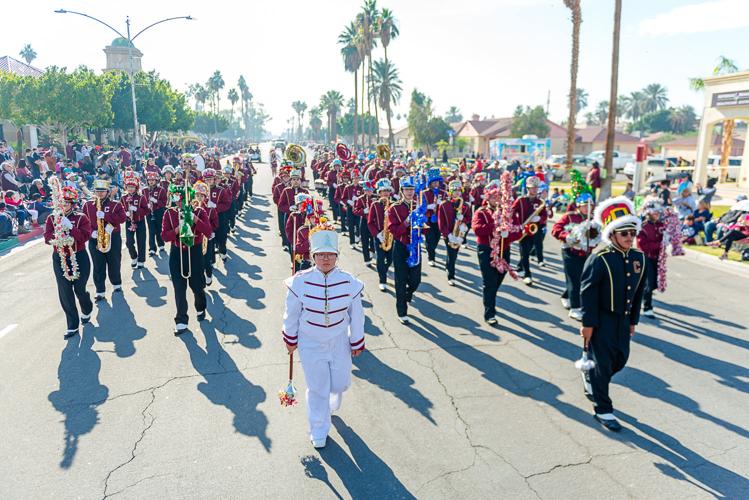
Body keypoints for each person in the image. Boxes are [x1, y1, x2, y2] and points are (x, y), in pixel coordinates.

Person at [281, 220, 365, 449]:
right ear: (312, 255)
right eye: (320, 255)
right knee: (317, 387)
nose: (325, 259)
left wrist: (356, 340)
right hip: (310, 342)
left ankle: (331, 398)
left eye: (330, 254)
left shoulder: (349, 282)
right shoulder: (299, 282)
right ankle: (318, 429)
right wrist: (290, 339)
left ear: (337, 256)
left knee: (340, 383)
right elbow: (291, 314)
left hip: (339, 340)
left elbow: (357, 315)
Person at [580, 196, 646, 432]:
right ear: (612, 235)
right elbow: (587, 292)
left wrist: (633, 321)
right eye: (623, 233)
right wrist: (587, 324)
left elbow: (638, 292)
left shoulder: (639, 258)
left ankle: (594, 379)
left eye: (632, 233)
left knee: (620, 359)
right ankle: (603, 408)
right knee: (603, 364)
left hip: (623, 319)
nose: (629, 237)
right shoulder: (600, 258)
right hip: (601, 320)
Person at [44, 184, 94, 339]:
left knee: (80, 289)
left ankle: (87, 308)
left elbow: (85, 237)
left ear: (72, 204)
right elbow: (47, 237)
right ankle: (72, 325)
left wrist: (71, 227)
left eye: (65, 203)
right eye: (60, 203)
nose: (62, 206)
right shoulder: (52, 218)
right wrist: (57, 238)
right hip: (60, 257)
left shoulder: (81, 218)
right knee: (65, 291)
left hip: (79, 256)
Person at [161, 184, 213, 334]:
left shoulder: (199, 211)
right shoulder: (169, 214)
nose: (178, 202)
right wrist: (177, 229)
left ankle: (200, 307)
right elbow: (164, 236)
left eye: (181, 198)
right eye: (176, 199)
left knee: (197, 286)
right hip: (177, 252)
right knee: (179, 287)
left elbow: (208, 231)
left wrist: (194, 218)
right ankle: (181, 320)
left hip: (195, 252)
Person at [471, 181, 520, 325]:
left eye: (499, 197)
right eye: (493, 197)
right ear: (488, 199)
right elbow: (477, 230)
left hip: (504, 250)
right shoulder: (481, 212)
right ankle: (489, 313)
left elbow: (518, 231)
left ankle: (490, 296)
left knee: (498, 279)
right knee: (490, 282)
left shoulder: (508, 213)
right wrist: (496, 225)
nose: (496, 200)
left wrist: (508, 234)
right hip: (486, 250)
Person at [552, 192, 599, 321]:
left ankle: (566, 296)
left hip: (586, 252)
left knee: (582, 277)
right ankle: (575, 308)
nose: (588, 208)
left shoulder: (594, 219)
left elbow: (597, 234)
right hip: (570, 251)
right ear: (578, 206)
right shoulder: (570, 217)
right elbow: (556, 229)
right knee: (574, 278)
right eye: (585, 205)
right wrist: (567, 236)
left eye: (591, 205)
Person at [82, 179, 126, 301]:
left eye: (103, 191)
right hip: (95, 238)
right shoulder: (88, 205)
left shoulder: (115, 204)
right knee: (98, 265)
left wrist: (106, 216)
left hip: (113, 237)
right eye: (98, 191)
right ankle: (100, 290)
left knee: (114, 262)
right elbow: (84, 222)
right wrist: (91, 232)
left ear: (107, 192)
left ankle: (117, 284)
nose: (100, 193)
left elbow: (122, 218)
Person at [387, 177, 423, 324]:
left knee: (416, 280)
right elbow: (393, 230)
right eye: (407, 189)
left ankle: (407, 295)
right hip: (401, 247)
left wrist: (422, 226)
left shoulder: (418, 206)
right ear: (402, 191)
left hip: (415, 247)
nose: (409, 192)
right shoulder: (394, 208)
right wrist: (407, 222)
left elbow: (424, 227)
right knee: (400, 280)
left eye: (411, 189)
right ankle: (402, 311)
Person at [512, 175, 547, 285]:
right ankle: (527, 275)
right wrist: (517, 224)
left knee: (527, 252)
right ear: (527, 188)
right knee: (525, 254)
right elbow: (512, 212)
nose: (535, 190)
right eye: (532, 187)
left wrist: (540, 219)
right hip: (523, 229)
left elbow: (545, 215)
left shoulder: (540, 202)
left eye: (536, 188)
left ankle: (519, 267)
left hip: (535, 230)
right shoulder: (521, 200)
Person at [438, 180, 471, 286]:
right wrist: (448, 234)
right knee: (451, 254)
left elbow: (469, 219)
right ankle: (451, 276)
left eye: (459, 190)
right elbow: (441, 222)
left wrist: (464, 221)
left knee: (454, 254)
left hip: (459, 232)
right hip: (448, 234)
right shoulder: (444, 205)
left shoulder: (465, 205)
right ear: (450, 192)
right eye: (455, 190)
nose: (457, 193)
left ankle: (449, 266)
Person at [636, 199, 664, 318]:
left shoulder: (660, 225)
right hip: (645, 258)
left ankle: (639, 297)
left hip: (656, 258)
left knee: (653, 284)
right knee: (649, 282)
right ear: (648, 212)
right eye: (654, 212)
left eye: (658, 212)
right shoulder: (643, 227)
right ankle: (647, 307)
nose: (657, 214)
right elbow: (643, 246)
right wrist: (660, 245)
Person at [368, 179, 395, 291]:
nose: (385, 193)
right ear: (379, 193)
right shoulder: (374, 205)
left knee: (389, 259)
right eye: (383, 191)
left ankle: (383, 269)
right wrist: (377, 234)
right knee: (380, 258)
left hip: (390, 236)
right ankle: (382, 280)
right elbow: (370, 222)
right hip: (379, 235)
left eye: (387, 191)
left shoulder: (394, 204)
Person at [120, 175, 149, 269]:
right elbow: (120, 210)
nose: (130, 189)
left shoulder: (141, 197)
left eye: (132, 187)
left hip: (139, 221)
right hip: (129, 222)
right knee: (129, 242)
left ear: (136, 188)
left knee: (141, 241)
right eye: (128, 187)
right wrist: (125, 213)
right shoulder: (123, 198)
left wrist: (136, 209)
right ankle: (134, 257)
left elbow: (146, 211)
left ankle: (141, 260)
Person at [142, 171, 168, 256]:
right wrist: (146, 205)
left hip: (159, 211)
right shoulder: (144, 190)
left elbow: (164, 202)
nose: (151, 181)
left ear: (156, 180)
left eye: (153, 180)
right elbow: (141, 202)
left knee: (159, 228)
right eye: (149, 180)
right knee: (151, 230)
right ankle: (152, 248)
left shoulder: (161, 190)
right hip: (149, 212)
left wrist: (156, 201)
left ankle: (161, 244)